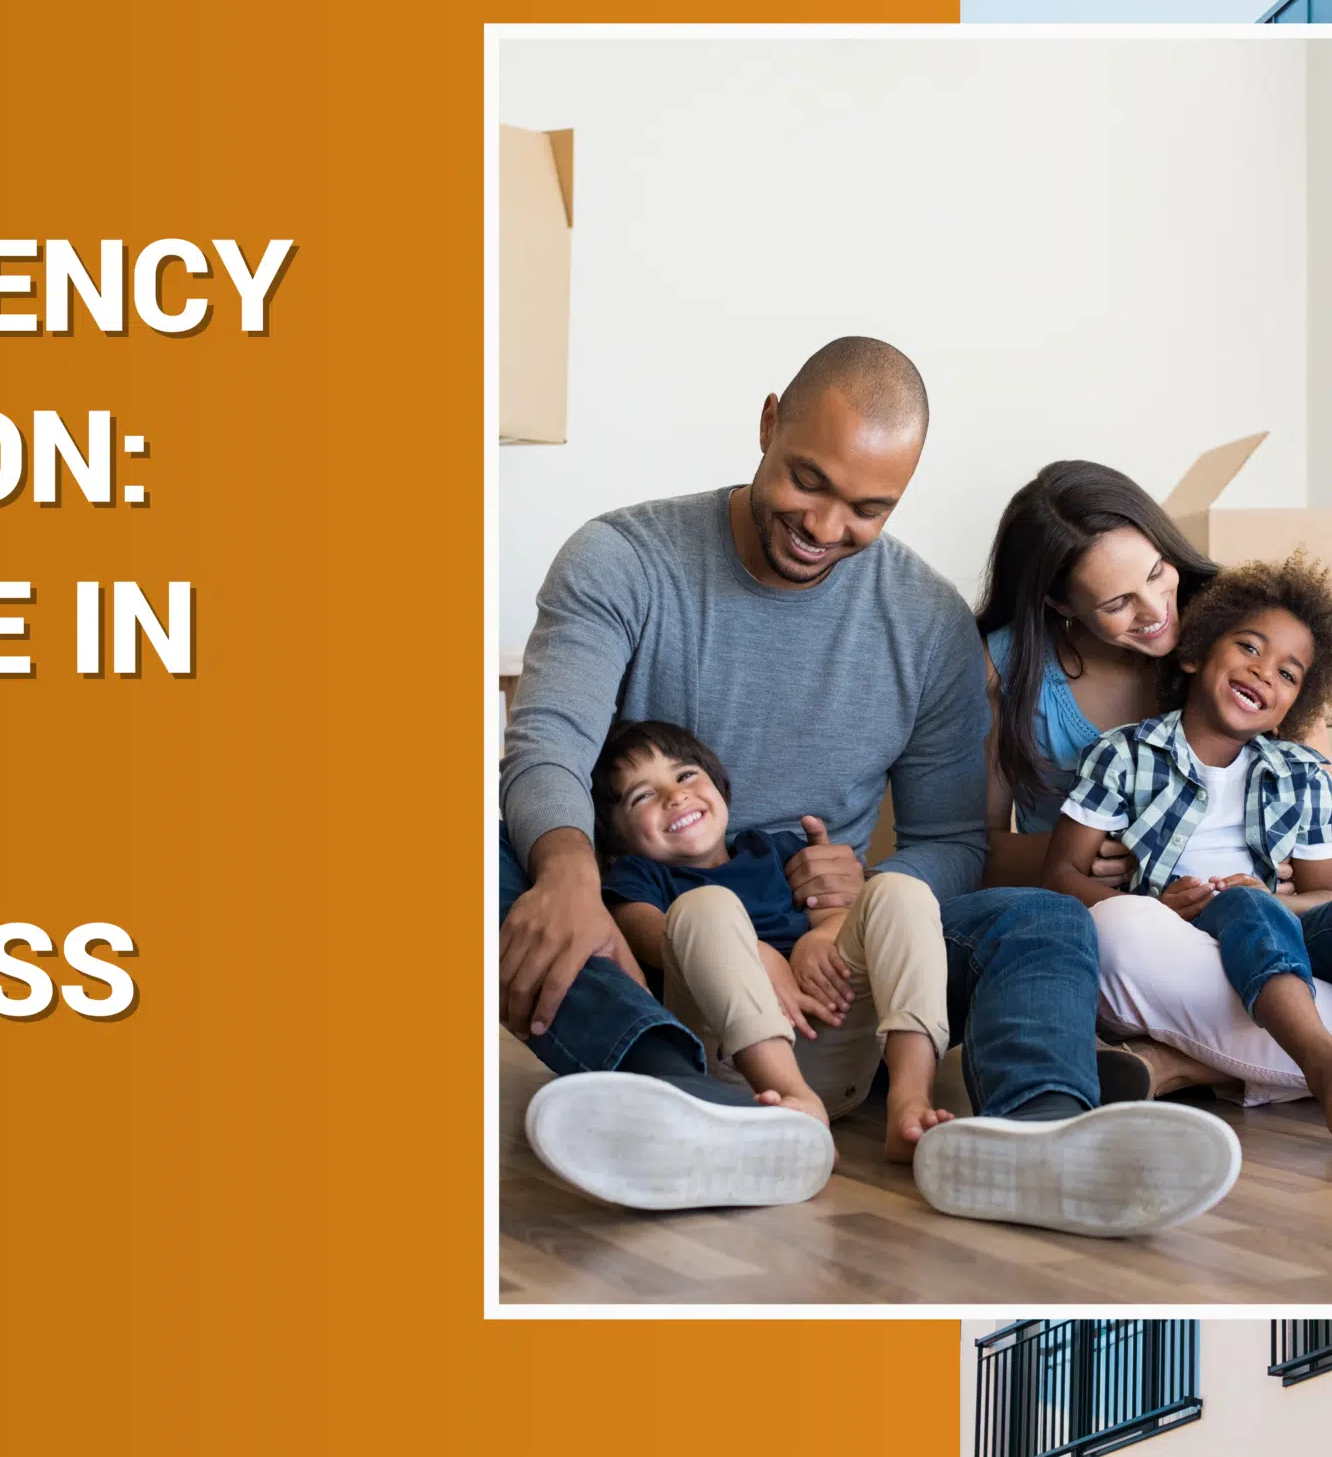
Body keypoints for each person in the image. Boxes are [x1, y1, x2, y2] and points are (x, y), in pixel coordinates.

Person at [500, 336, 1238, 1233]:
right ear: (771, 423)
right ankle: (678, 1096)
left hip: (844, 979)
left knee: (1040, 918)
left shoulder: (926, 625)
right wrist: (569, 875)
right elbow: (548, 744)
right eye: (807, 481)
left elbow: (953, 842)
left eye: (866, 509)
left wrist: (851, 911)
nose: (822, 527)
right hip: (651, 946)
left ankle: (1040, 1131)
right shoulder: (624, 559)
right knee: (489, 854)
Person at [972, 461, 1332, 1099]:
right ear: (1061, 603)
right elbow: (974, 848)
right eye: (1118, 603)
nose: (1157, 612)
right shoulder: (1010, 666)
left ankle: (1178, 1066)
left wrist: (1286, 890)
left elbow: (1323, 864)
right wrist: (1112, 864)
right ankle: (1314, 1061)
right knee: (1125, 935)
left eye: (1156, 573)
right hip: (1131, 929)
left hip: (1262, 927)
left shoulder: (1243, 631)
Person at [1044, 555, 1332, 1124]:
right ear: (1194, 652)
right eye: (1250, 648)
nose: (1263, 672)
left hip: (1280, 931)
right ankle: (1322, 1059)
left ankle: (1179, 1065)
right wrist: (1156, 907)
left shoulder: (1304, 773)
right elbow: (1060, 876)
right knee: (1178, 918)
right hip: (1177, 936)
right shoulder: (1123, 754)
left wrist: (1269, 899)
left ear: (1292, 706)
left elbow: (1324, 899)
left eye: (1288, 673)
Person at [589, 718, 956, 1169]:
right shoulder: (637, 878)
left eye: (685, 775)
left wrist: (819, 938)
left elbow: (832, 910)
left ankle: (910, 1099)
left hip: (835, 1031)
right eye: (642, 795)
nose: (675, 795)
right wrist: (757, 955)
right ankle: (794, 1100)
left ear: (720, 788)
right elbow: (646, 936)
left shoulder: (772, 848)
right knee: (705, 906)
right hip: (739, 1067)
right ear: (615, 836)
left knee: (900, 891)